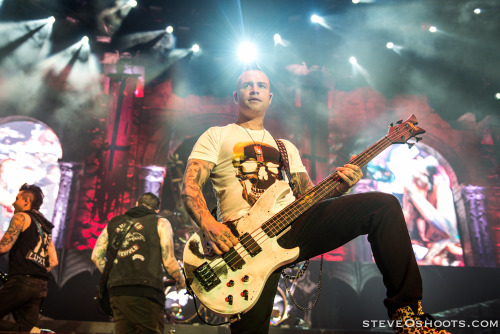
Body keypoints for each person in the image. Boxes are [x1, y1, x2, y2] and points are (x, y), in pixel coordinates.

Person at [181, 67, 451, 334]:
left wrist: (341, 186)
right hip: (241, 244)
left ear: (270, 97)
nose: (254, 89)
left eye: (261, 85)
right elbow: (190, 185)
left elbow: (308, 198)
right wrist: (208, 223)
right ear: (235, 95)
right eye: (247, 85)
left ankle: (408, 316)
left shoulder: (285, 148)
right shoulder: (217, 135)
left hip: (291, 228)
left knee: (383, 206)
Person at [91, 192, 186, 334]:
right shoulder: (160, 222)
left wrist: (113, 275)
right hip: (146, 292)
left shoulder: (114, 222)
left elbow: (95, 256)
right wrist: (180, 279)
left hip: (117, 292)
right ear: (157, 210)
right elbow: (169, 261)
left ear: (137, 204)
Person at [0, 183, 58, 332]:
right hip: (40, 285)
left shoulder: (21, 217)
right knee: (24, 329)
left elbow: (4, 246)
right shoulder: (45, 228)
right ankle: (37, 332)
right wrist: (35, 270)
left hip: (21, 282)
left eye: (17, 198)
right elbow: (53, 261)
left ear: (26, 201)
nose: (13, 203)